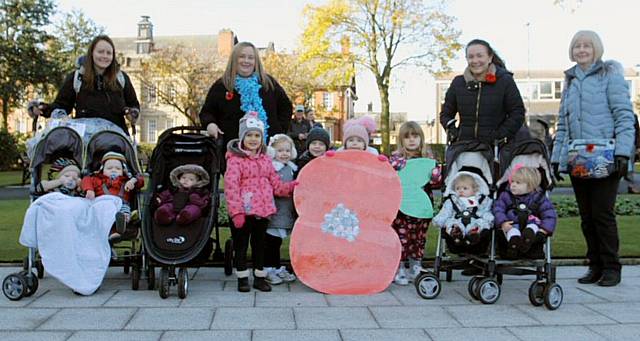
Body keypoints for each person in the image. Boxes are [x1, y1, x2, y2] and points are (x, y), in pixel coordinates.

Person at [551, 30, 635, 287]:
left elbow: (624, 117)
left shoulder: (610, 76)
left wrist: (623, 153)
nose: (582, 50)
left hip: (605, 156)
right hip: (578, 157)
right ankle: (594, 264)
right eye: (577, 46)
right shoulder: (571, 80)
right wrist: (557, 158)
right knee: (586, 216)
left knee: (602, 214)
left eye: (587, 46)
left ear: (596, 49)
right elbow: (563, 125)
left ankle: (612, 266)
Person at [224, 112, 297, 292]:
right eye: (249, 135)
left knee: (259, 245)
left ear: (262, 139)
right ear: (242, 137)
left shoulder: (266, 160)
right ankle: (242, 277)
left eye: (257, 135)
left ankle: (259, 277)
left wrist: (291, 186)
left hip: (263, 211)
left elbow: (276, 184)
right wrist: (237, 212)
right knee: (241, 245)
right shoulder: (235, 161)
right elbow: (231, 187)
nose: (253, 139)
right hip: (243, 211)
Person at [199, 41, 292, 164]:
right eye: (242, 57)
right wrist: (210, 124)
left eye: (250, 58)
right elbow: (207, 112)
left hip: (268, 150)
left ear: (256, 61)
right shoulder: (222, 85)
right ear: (234, 60)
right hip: (235, 151)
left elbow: (286, 107)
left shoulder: (268, 83)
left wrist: (278, 131)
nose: (246, 61)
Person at [29, 35, 140, 133]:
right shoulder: (77, 78)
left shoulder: (121, 78)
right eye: (100, 52)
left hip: (116, 138)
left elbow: (133, 104)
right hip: (85, 138)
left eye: (109, 53)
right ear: (92, 53)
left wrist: (132, 114)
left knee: (114, 156)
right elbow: (61, 106)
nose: (105, 56)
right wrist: (43, 108)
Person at [439, 39, 525, 145]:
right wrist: (453, 132)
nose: (475, 60)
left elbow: (518, 113)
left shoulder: (505, 81)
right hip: (464, 147)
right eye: (470, 57)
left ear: (490, 58)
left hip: (496, 149)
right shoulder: (458, 83)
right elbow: (445, 114)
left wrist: (500, 136)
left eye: (479, 56)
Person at [389, 121, 441, 285]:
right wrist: (395, 166)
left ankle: (416, 265)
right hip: (402, 205)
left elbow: (436, 183)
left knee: (419, 236)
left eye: (415, 136)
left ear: (421, 138)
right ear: (401, 140)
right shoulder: (397, 159)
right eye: (407, 137)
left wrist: (435, 174)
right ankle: (400, 267)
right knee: (401, 235)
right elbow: (389, 179)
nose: (412, 140)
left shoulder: (428, 159)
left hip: (422, 203)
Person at [493, 166, 557, 259]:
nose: (513, 185)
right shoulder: (505, 196)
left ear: (530, 186)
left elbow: (549, 215)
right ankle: (513, 246)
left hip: (531, 223)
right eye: (512, 182)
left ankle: (528, 237)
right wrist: (503, 222)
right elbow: (498, 209)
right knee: (511, 231)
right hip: (512, 224)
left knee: (534, 226)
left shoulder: (538, 198)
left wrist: (544, 230)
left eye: (518, 183)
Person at [82, 151, 144, 241]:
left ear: (123, 171)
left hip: (121, 204)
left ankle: (121, 224)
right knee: (101, 212)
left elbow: (141, 181)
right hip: (102, 204)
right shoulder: (97, 179)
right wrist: (89, 190)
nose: (113, 170)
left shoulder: (126, 181)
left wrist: (133, 181)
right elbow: (86, 179)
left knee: (124, 211)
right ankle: (115, 231)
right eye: (109, 168)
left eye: (118, 168)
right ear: (102, 170)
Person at [264, 134, 298, 285]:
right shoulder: (273, 169)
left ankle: (276, 267)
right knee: (271, 241)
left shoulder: (290, 168)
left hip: (286, 209)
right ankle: (268, 268)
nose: (284, 154)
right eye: (280, 151)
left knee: (277, 242)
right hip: (275, 210)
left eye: (287, 150)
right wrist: (294, 186)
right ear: (272, 152)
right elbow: (277, 189)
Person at [433, 172, 493, 246]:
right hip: (457, 221)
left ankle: (473, 234)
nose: (461, 190)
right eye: (457, 188)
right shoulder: (453, 201)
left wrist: (489, 218)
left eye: (465, 188)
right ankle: (456, 233)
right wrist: (440, 219)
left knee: (481, 223)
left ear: (474, 190)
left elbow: (484, 211)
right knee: (450, 222)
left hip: (474, 221)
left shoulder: (480, 201)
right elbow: (446, 212)